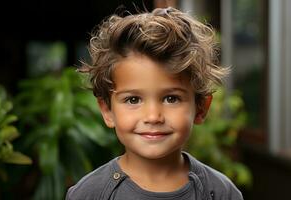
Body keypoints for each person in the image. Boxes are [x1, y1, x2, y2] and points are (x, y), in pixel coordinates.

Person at [66, 6, 243, 200]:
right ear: (107, 111)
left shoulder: (221, 193)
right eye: (133, 99)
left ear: (200, 108)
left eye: (171, 98)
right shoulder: (88, 194)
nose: (153, 116)